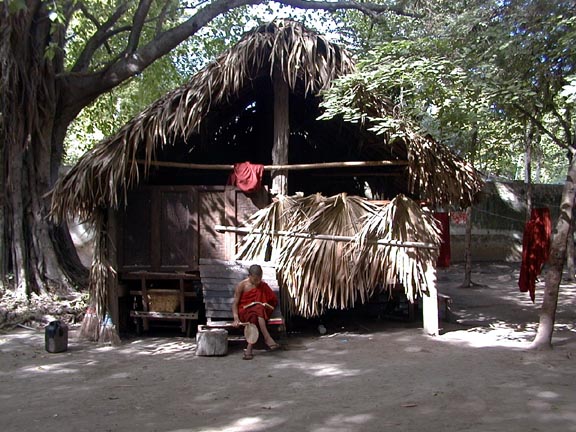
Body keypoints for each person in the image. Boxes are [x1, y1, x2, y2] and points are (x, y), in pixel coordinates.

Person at [232, 264, 280, 359]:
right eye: (254, 279)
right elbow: (235, 304)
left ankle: (249, 347)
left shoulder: (263, 285)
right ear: (249, 276)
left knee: (257, 311)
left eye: (259, 279)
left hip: (257, 314)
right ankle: (267, 338)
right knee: (258, 309)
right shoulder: (242, 285)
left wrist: (266, 304)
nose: (257, 282)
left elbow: (273, 299)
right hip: (244, 311)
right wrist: (236, 319)